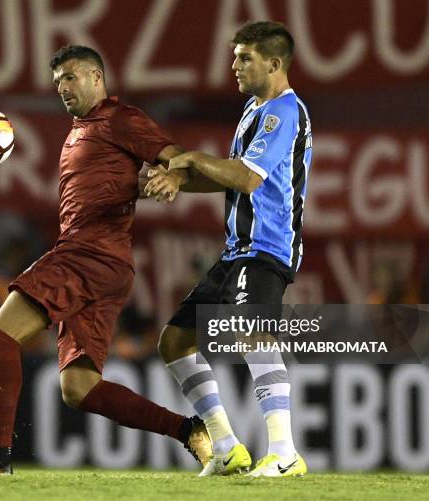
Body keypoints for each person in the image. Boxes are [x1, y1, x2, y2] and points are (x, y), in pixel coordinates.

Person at [0, 45, 211, 474]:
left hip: (88, 254)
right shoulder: (80, 129)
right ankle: (188, 430)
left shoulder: (120, 119)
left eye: (71, 77)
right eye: (58, 82)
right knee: (80, 388)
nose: (63, 88)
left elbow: (174, 153)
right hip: (106, 265)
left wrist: (174, 174)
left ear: (97, 76)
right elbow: (112, 184)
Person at [145, 21, 311, 477]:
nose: (234, 65)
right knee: (175, 341)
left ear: (274, 63)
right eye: (235, 56)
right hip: (237, 249)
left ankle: (284, 452)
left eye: (245, 58)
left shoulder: (284, 111)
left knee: (252, 331)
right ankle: (227, 447)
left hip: (267, 245)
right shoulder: (252, 110)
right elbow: (226, 174)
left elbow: (247, 177)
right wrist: (170, 180)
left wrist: (192, 159)